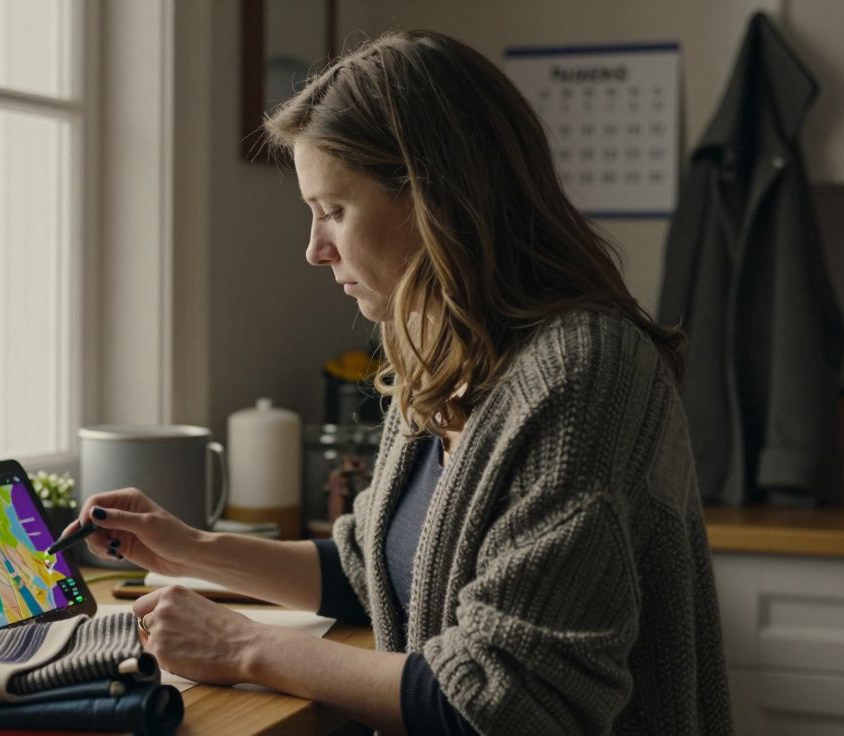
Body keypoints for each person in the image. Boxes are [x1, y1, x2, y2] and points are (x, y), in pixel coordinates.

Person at [59, 30, 732, 735]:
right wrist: (188, 549)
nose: (315, 250)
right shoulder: (444, 353)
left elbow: (507, 699)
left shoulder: (584, 373)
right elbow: (373, 567)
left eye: (334, 211)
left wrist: (242, 645)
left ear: (432, 196)